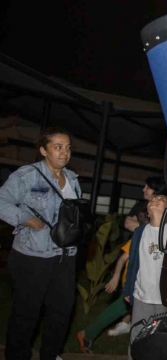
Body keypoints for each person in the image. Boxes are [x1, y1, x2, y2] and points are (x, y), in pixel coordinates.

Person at [0, 127, 81, 360]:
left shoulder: (73, 179)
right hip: (32, 256)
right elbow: (2, 201)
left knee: (62, 311)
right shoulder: (27, 175)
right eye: (58, 147)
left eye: (67, 148)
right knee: (27, 313)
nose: (64, 152)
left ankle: (51, 354)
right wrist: (25, 219)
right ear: (43, 150)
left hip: (65, 255)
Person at [123, 194, 167, 355]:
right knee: (137, 337)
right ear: (148, 212)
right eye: (152, 200)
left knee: (161, 341)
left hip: (165, 299)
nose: (155, 201)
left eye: (161, 199)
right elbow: (133, 262)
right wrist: (129, 289)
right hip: (141, 295)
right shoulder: (140, 232)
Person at [76, 238, 132, 353]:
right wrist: (116, 277)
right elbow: (122, 259)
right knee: (120, 308)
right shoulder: (142, 233)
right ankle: (87, 334)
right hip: (134, 284)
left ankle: (87, 334)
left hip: (146, 284)